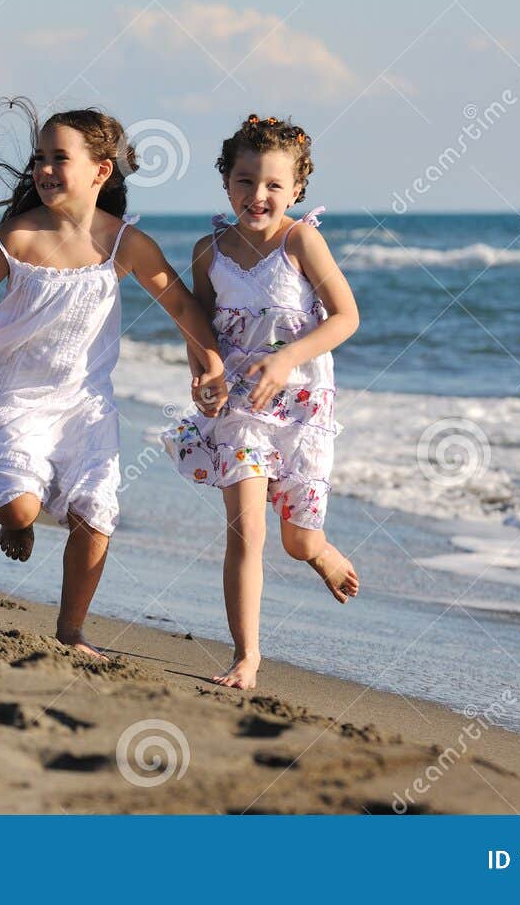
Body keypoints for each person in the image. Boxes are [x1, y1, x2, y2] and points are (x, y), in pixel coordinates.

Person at [0, 101, 226, 659]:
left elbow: (181, 305)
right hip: (13, 397)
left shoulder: (124, 244)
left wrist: (208, 357)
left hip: (85, 404)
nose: (42, 168)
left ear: (100, 170)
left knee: (96, 513)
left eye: (58, 158)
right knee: (20, 508)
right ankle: (16, 518)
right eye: (38, 157)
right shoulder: (15, 238)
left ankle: (70, 630)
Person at [162, 114, 361, 691]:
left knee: (296, 541)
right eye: (246, 181)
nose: (259, 195)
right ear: (227, 183)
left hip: (300, 404)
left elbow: (347, 317)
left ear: (297, 189)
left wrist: (287, 357)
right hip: (241, 408)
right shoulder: (209, 251)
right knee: (246, 532)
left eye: (274, 184)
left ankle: (319, 551)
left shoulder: (301, 241)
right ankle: (246, 656)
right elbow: (199, 327)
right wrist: (205, 374)